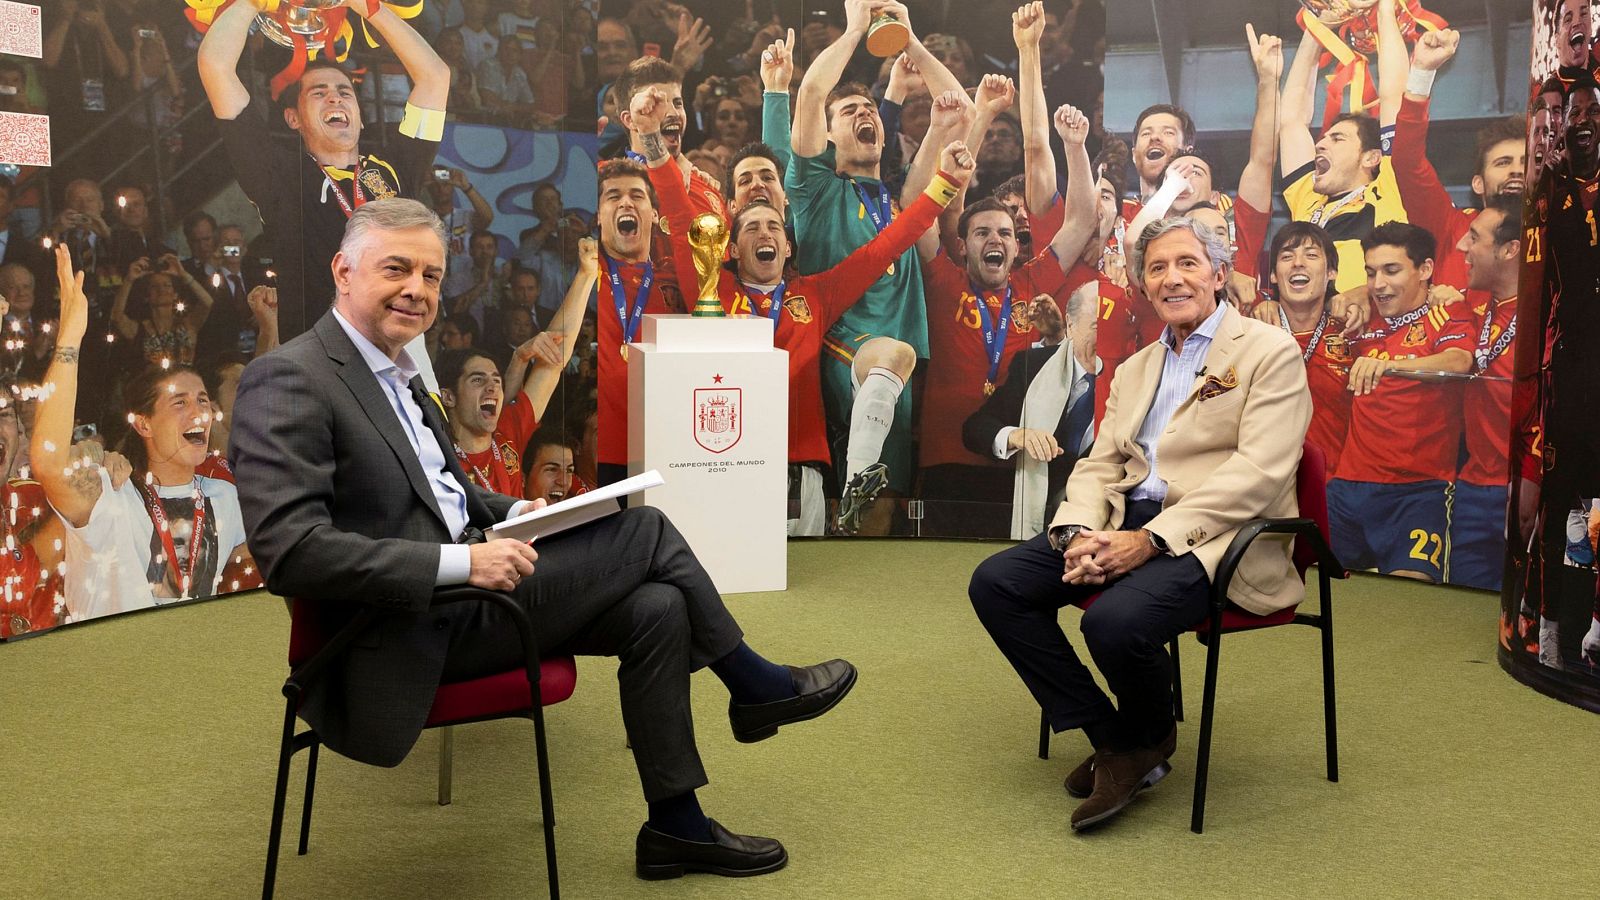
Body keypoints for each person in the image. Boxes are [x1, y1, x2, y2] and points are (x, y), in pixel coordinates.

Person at [229, 198, 858, 879]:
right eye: (396, 269)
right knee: (643, 528)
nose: (417, 289)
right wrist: (463, 562)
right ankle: (755, 683)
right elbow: (290, 551)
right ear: (342, 270)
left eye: (432, 275)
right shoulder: (291, 377)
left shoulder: (398, 374)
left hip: (468, 595)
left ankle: (676, 826)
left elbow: (452, 496)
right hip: (399, 629)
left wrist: (519, 509)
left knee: (659, 609)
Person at [969, 215, 1311, 832]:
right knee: (997, 583)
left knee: (1115, 620)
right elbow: (1100, 465)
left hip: (1222, 536)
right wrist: (1076, 534)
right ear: (1143, 284)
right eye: (1157, 268)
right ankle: (1121, 740)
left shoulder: (1270, 353)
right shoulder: (1133, 369)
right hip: (1125, 519)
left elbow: (1260, 473)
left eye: (1187, 263)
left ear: (1219, 273)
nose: (1172, 278)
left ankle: (1139, 742)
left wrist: (1150, 540)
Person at [632, 87, 973, 536]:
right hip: (725, 462)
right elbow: (678, 212)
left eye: (773, 225)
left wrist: (944, 184)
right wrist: (650, 134)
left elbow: (886, 246)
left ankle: (856, 485)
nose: (764, 233)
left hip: (805, 470)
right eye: (751, 227)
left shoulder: (814, 295)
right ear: (731, 246)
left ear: (788, 243)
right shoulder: (713, 286)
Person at [788, 0, 968, 534]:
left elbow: (957, 112)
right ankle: (856, 474)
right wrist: (856, 30)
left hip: (895, 373)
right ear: (826, 136)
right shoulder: (812, 188)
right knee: (893, 354)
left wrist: (910, 40)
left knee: (880, 510)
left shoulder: (895, 199)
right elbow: (812, 92)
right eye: (850, 113)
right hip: (844, 345)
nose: (865, 114)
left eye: (870, 110)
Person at [197, 0, 449, 340]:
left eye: (345, 92)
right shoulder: (278, 174)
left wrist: (366, 6)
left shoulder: (396, 167)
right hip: (319, 353)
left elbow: (435, 76)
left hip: (399, 346)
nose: (335, 99)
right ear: (294, 119)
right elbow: (216, 65)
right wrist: (257, 2)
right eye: (319, 93)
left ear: (360, 116)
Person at [33, 245, 258, 622]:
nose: (199, 410)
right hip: (115, 671)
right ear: (143, 423)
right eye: (180, 402)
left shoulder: (225, 497)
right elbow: (48, 460)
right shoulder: (110, 493)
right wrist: (69, 342)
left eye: (203, 400)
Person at [914, 103, 1100, 537]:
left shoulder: (1034, 281)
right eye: (981, 233)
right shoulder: (944, 279)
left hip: (1020, 462)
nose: (995, 239)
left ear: (1019, 247)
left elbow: (1081, 220)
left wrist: (1075, 147)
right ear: (962, 246)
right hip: (945, 458)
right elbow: (917, 213)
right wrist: (957, 155)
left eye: (1005, 233)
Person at [1327, 223, 1474, 583]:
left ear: (1424, 270)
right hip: (1347, 488)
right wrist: (1352, 294)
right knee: (1318, 590)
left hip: (1419, 492)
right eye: (1371, 272)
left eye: (1391, 270)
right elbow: (1335, 301)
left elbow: (1459, 363)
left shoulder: (1450, 312)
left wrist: (1390, 366)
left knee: (1412, 597)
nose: (1379, 284)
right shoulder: (1361, 316)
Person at [440, 237, 596, 498]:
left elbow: (552, 360)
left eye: (496, 381)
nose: (492, 387)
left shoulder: (508, 432)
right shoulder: (438, 457)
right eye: (477, 380)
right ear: (448, 396)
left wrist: (586, 275)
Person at [962, 281, 1101, 540]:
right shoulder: (1033, 366)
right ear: (1070, 325)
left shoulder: (1137, 376)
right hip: (1035, 521)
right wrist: (1016, 435)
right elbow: (975, 428)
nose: (1108, 338)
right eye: (1096, 326)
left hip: (1102, 524)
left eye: (1117, 326)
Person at [1279, 27, 1409, 293]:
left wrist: (1384, 10)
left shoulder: (1388, 191)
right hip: (1305, 330)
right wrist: (1315, 26)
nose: (1320, 144)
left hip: (1366, 329)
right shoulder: (1310, 200)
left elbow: (1395, 96)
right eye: (1323, 138)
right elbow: (1291, 121)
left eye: (1337, 139)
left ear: (1372, 157)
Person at [1447, 197, 1521, 591]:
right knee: (1461, 603)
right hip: (1474, 487)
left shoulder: (1553, 314)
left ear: (1510, 249)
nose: (1462, 246)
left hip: (1528, 489)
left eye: (1474, 237)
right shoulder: (1469, 302)